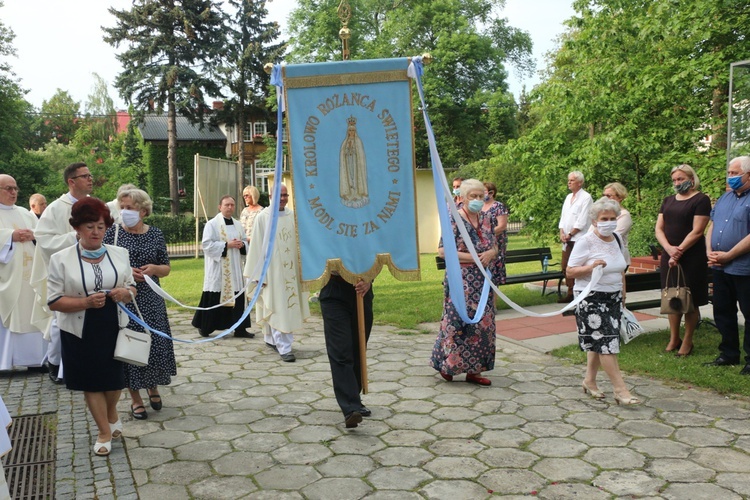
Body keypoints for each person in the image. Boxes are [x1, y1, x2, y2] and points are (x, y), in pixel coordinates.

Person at [47, 197, 136, 456]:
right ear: (76, 228)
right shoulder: (60, 259)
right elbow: (53, 301)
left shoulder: (120, 254)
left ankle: (110, 413)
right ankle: (103, 431)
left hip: (114, 324)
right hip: (79, 328)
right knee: (92, 382)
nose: (96, 232)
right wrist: (84, 302)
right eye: (89, 226)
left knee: (115, 380)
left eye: (100, 226)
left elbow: (132, 287)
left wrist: (125, 292)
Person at [104, 188, 176, 420]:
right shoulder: (112, 233)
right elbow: (104, 264)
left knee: (153, 343)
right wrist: (125, 273)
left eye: (130, 208)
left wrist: (154, 269)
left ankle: (152, 387)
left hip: (151, 299)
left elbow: (165, 267)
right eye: (122, 207)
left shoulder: (155, 234)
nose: (124, 212)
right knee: (130, 346)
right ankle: (135, 398)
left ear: (143, 211)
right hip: (125, 300)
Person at [567, 197, 639, 405]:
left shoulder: (617, 239)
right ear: (595, 220)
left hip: (613, 297)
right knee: (607, 343)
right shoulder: (585, 241)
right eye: (604, 218)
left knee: (598, 342)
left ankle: (589, 381)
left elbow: (621, 267)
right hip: (591, 298)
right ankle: (621, 390)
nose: (609, 221)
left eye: (612, 218)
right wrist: (590, 267)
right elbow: (570, 272)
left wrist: (622, 294)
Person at [30, 162, 94, 384]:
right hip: (66, 271)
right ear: (71, 181)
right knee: (62, 319)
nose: (90, 179)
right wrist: (74, 238)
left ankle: (89, 361)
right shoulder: (57, 208)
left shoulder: (95, 205)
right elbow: (44, 240)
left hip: (93, 268)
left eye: (90, 175)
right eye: (85, 176)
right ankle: (56, 362)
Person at [430, 179, 499, 386]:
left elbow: (494, 247)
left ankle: (474, 370)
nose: (478, 200)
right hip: (461, 280)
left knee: (483, 325)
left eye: (481, 196)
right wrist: (476, 258)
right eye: (473, 196)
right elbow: (443, 251)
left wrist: (490, 253)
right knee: (456, 323)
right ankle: (449, 365)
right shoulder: (454, 219)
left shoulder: (487, 218)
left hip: (483, 281)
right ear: (462, 197)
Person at [245, 184, 309, 362]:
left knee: (282, 306)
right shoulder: (263, 218)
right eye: (279, 195)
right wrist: (258, 276)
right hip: (272, 272)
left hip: (290, 271)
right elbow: (256, 247)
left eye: (285, 195)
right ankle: (284, 347)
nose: (283, 198)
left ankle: (271, 338)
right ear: (270, 196)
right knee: (277, 306)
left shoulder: (292, 216)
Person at [655, 164, 711, 357]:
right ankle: (674, 338)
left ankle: (687, 341)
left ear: (691, 179)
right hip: (669, 255)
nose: (677, 183)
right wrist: (669, 250)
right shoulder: (668, 200)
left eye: (681, 179)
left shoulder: (701, 200)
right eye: (675, 180)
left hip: (691, 256)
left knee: (690, 299)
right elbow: (659, 229)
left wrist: (678, 252)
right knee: (672, 297)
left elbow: (697, 231)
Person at [0, 175, 50, 372]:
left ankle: (35, 360)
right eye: (8, 189)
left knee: (33, 309)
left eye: (15, 188)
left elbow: (44, 236)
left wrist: (34, 235)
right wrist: (9, 236)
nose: (13, 192)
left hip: (31, 275)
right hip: (7, 277)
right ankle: (4, 362)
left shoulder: (25, 213)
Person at [705, 156, 750, 372]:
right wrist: (709, 252)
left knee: (749, 313)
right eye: (729, 173)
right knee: (723, 310)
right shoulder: (725, 198)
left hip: (744, 268)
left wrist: (729, 254)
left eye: (734, 173)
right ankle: (729, 353)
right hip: (720, 267)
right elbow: (712, 226)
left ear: (748, 175)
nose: (730, 177)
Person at [192, 195, 253, 338]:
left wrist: (242, 245)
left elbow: (245, 241)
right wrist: (227, 245)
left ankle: (240, 329)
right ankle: (206, 327)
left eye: (232, 205)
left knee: (238, 297)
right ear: (220, 207)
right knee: (215, 297)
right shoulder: (212, 224)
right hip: (219, 269)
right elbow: (206, 245)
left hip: (235, 268)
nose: (230, 207)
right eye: (227, 205)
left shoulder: (238, 224)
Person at [320, 276, 373, 428]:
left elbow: (377, 254)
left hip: (362, 292)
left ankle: (353, 396)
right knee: (341, 351)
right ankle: (350, 408)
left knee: (358, 348)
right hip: (333, 292)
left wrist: (370, 281)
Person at [558, 171, 593, 303]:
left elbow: (583, 220)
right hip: (566, 239)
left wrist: (570, 233)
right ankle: (570, 291)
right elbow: (563, 217)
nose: (569, 182)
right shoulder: (568, 197)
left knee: (577, 265)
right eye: (569, 180)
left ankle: (579, 292)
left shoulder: (586, 198)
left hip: (579, 237)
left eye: (572, 180)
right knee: (565, 265)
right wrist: (562, 232)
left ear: (580, 182)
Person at [482, 181, 509, 285]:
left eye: (483, 191)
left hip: (496, 243)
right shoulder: (479, 207)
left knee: (494, 273)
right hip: (482, 244)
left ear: (491, 193)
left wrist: (487, 235)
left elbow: (502, 226)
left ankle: (493, 299)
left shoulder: (498, 206)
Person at [602, 182, 632, 267]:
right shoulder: (600, 214)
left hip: (618, 258)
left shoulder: (624, 215)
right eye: (603, 195)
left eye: (608, 196)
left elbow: (612, 236)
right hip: (602, 257)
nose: (604, 199)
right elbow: (590, 233)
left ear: (619, 197)